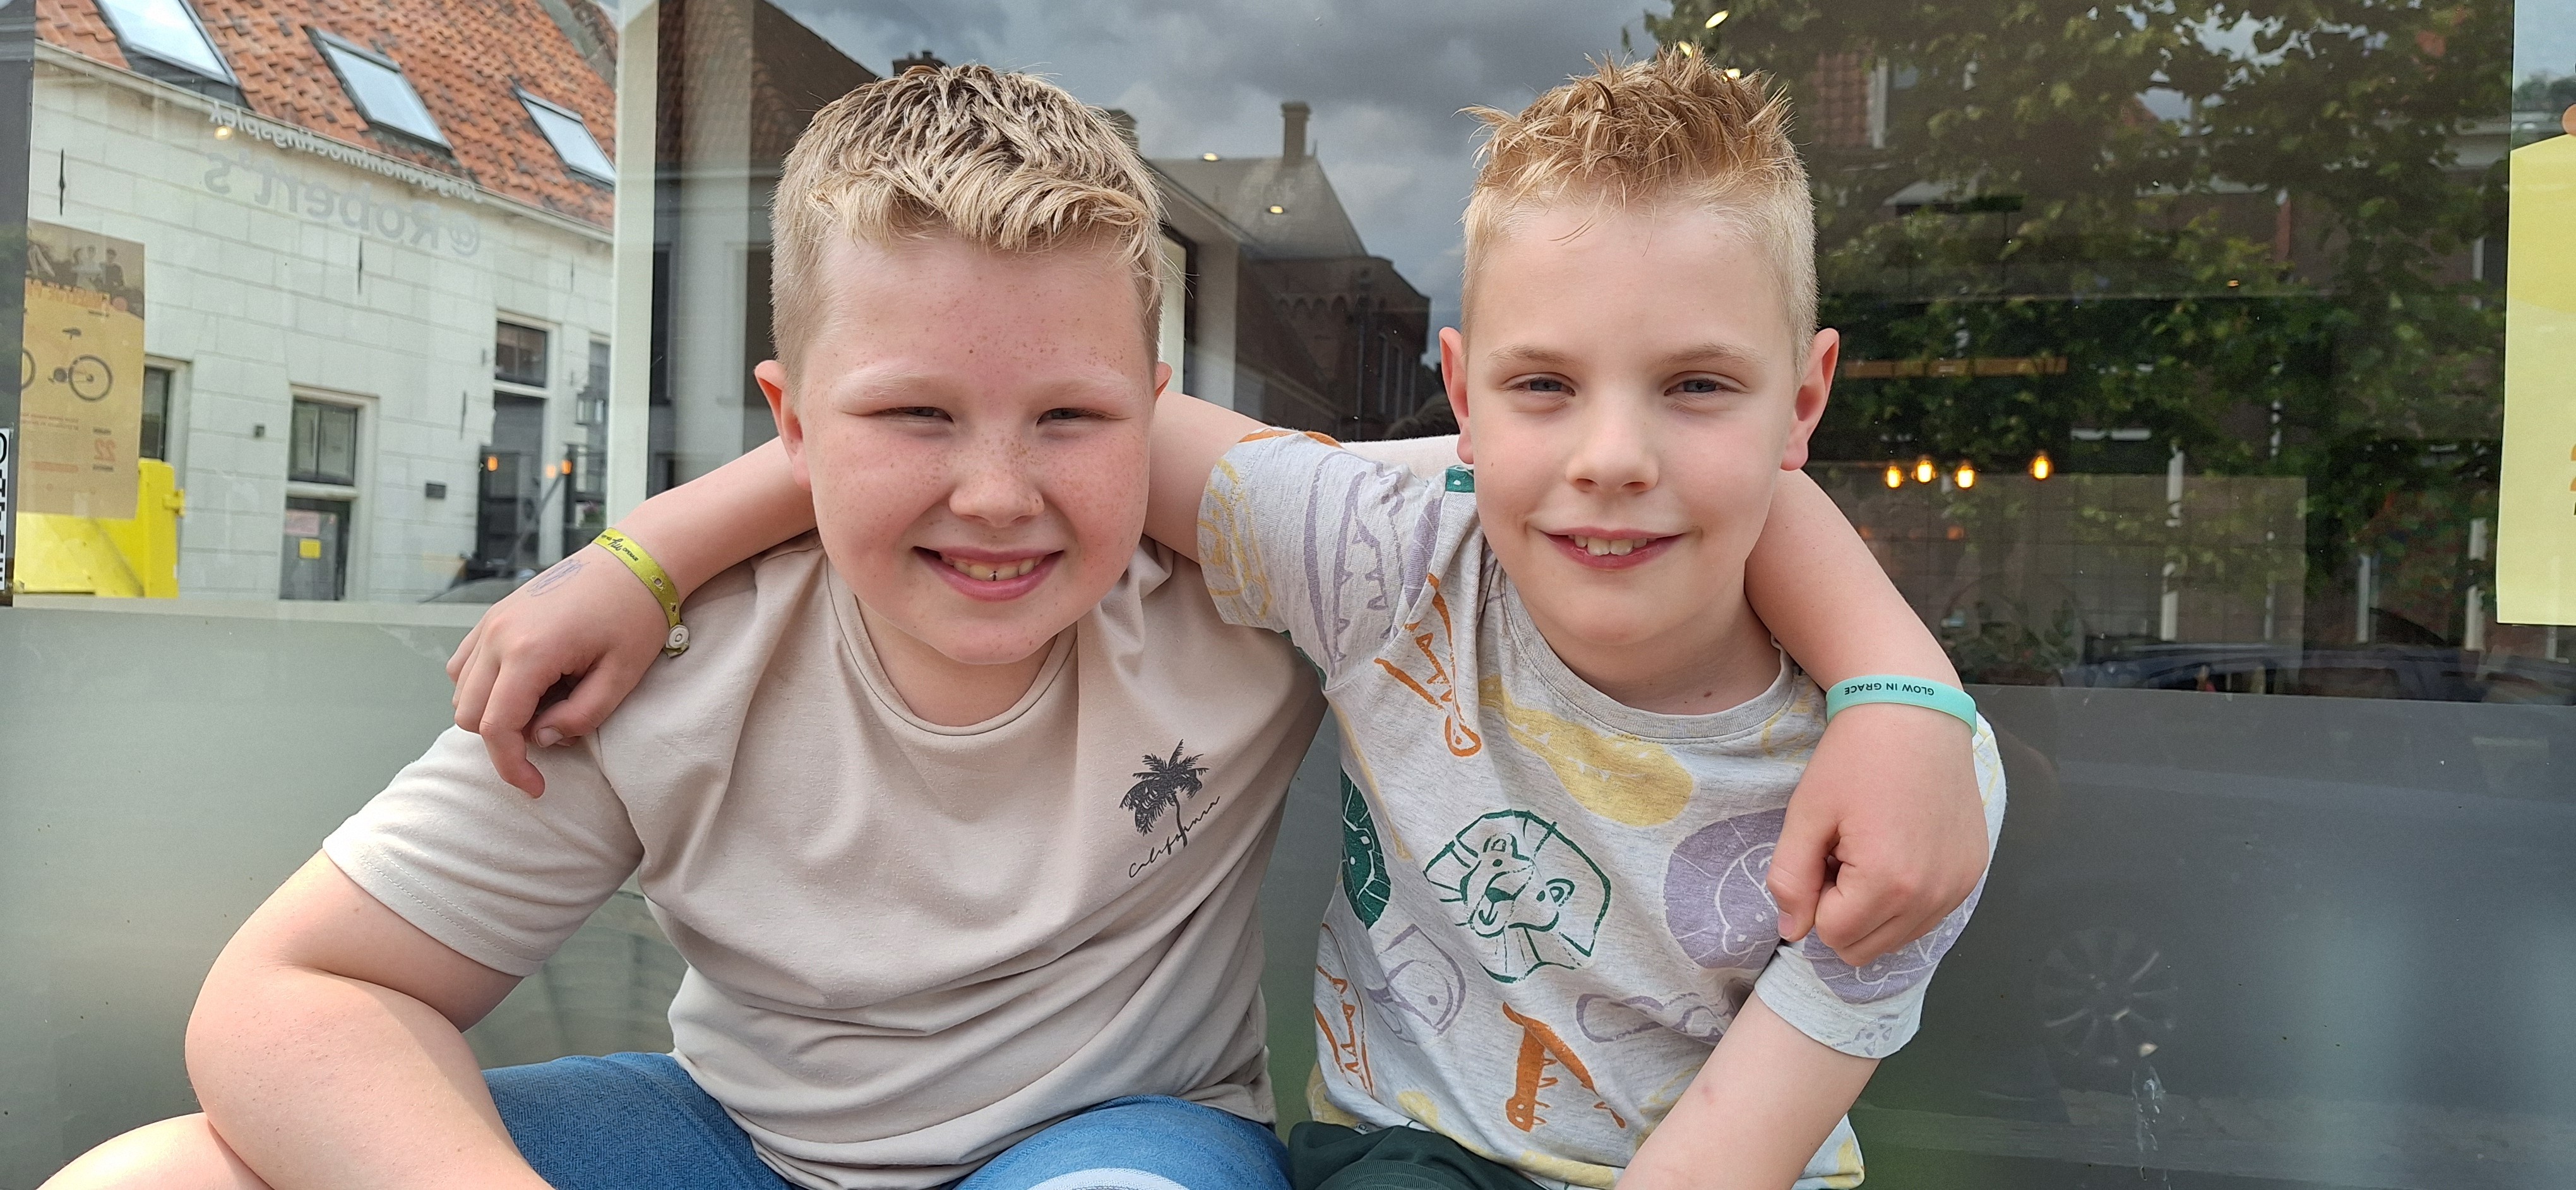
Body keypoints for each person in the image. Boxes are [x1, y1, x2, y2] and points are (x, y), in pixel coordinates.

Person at [46, 64, 1983, 1190]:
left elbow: (1643, 481)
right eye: (912, 418)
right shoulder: (664, 653)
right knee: (150, 1171)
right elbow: (285, 995)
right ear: (794, 424)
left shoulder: (1266, 581)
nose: (997, 493)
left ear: (1152, 420)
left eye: (1070, 419)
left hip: (1114, 1139)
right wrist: (641, 561)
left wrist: (1899, 688)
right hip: (739, 1133)